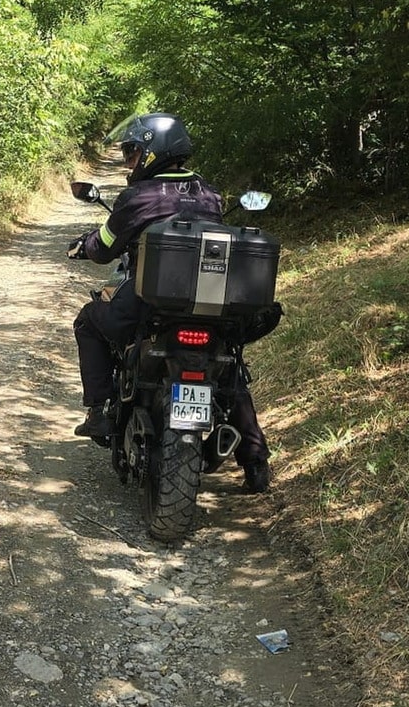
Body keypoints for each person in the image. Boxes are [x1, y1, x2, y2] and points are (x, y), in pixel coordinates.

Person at [67, 112, 272, 493]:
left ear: (151, 152)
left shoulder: (137, 197)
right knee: (230, 369)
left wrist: (84, 245)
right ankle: (256, 462)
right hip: (210, 304)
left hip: (150, 304)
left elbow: (104, 248)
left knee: (89, 320)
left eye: (132, 153)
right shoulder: (209, 194)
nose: (129, 161)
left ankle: (99, 411)